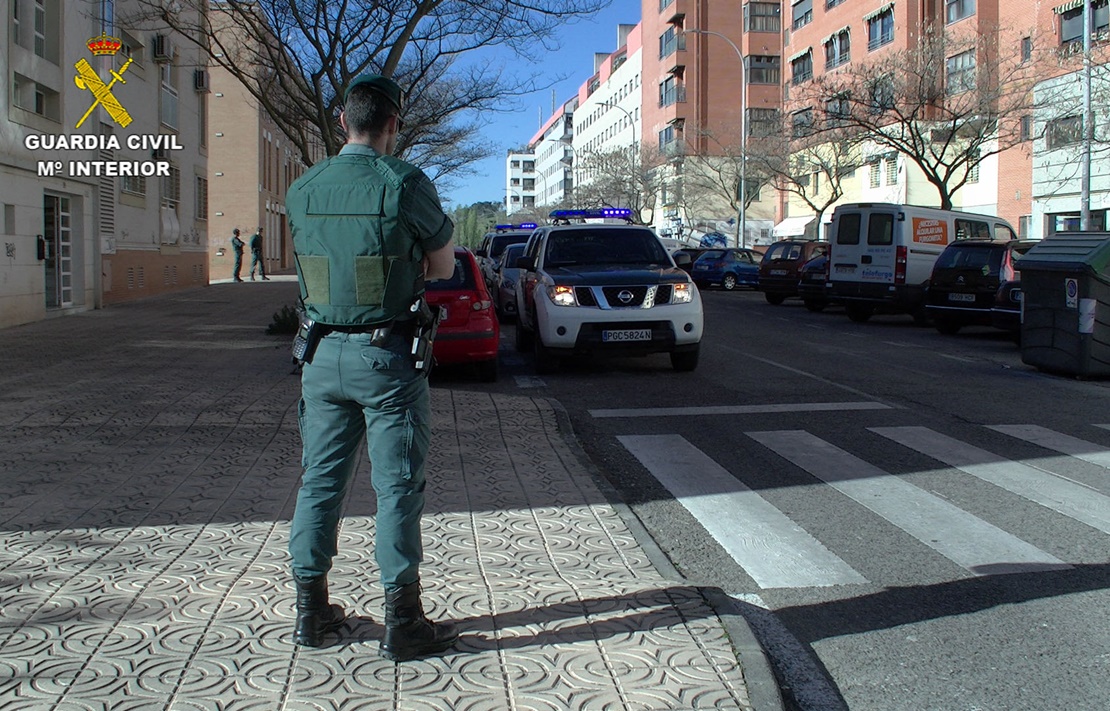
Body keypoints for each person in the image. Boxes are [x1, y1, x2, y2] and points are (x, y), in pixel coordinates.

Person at [284, 74, 457, 661]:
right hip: (385, 360)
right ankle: (403, 622)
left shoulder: (303, 187)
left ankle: (311, 614)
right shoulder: (403, 183)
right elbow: (443, 267)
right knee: (397, 489)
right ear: (393, 125)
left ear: (341, 120)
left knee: (319, 483)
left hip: (319, 356)